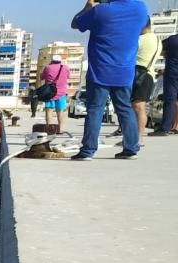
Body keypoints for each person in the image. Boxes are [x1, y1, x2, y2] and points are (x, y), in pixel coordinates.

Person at [70, 0, 148, 161]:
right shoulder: (140, 8)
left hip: (100, 70)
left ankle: (88, 150)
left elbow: (75, 24)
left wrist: (87, 8)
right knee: (125, 109)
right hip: (125, 70)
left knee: (94, 109)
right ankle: (131, 148)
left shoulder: (101, 11)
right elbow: (140, 28)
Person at [131, 19, 162, 145]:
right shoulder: (158, 39)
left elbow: (130, 53)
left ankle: (138, 139)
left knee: (138, 107)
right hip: (148, 75)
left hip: (139, 73)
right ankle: (136, 138)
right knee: (138, 107)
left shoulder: (141, 39)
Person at [149, 34, 178, 136]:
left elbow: (159, 48)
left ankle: (165, 128)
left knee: (170, 100)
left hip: (173, 73)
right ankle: (176, 126)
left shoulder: (172, 40)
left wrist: (167, 54)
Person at [40, 55, 70, 132]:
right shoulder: (66, 67)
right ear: (60, 61)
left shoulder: (48, 67)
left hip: (50, 92)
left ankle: (49, 128)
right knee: (60, 111)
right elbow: (68, 77)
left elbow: (42, 77)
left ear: (52, 60)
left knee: (49, 110)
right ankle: (60, 129)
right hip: (61, 93)